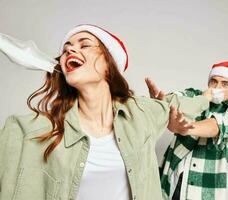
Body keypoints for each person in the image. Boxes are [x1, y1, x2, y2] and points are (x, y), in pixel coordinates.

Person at [0, 24, 210, 200]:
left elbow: (178, 104)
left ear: (109, 65)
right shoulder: (29, 130)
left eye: (85, 45)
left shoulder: (141, 114)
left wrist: (209, 96)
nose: (70, 51)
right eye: (66, 50)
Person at [146, 61, 228, 200]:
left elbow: (216, 126)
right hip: (170, 184)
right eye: (214, 82)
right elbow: (172, 101)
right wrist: (161, 102)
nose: (217, 87)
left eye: (224, 84)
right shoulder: (194, 96)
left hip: (202, 192)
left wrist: (185, 129)